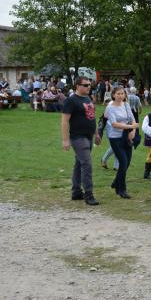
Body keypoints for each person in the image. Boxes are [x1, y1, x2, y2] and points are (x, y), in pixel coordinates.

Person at [61, 77, 100, 206]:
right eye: (86, 85)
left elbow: (91, 117)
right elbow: (65, 121)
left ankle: (76, 191)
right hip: (78, 137)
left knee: (79, 164)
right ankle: (89, 194)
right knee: (87, 164)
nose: (89, 87)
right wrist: (65, 140)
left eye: (90, 85)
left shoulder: (88, 98)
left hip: (88, 136)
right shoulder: (71, 101)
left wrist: (96, 134)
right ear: (77, 86)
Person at [105, 86, 138, 199]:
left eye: (122, 94)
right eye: (118, 94)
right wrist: (130, 127)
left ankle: (116, 181)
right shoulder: (110, 108)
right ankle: (121, 189)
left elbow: (132, 119)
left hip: (127, 137)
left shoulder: (126, 105)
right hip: (115, 138)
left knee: (127, 163)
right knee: (123, 163)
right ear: (113, 95)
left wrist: (133, 131)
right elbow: (114, 124)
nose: (120, 96)